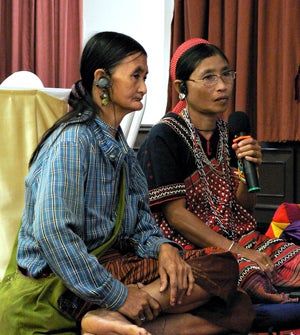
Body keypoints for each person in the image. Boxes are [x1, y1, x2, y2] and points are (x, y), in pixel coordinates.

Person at [0, 32, 254, 335]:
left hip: (116, 266)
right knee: (218, 272)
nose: (144, 88)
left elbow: (141, 227)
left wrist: (164, 249)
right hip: (67, 281)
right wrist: (120, 296)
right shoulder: (72, 142)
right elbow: (54, 235)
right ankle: (112, 313)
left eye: (145, 76)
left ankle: (116, 324)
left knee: (238, 303)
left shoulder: (119, 145)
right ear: (102, 80)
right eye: (136, 76)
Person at [137, 37, 300, 305]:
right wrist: (237, 251)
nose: (223, 85)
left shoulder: (229, 132)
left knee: (292, 258)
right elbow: (175, 215)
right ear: (182, 87)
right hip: (194, 248)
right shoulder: (165, 136)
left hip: (241, 237)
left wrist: (251, 172)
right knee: (249, 276)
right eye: (209, 78)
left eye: (226, 74)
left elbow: (244, 207)